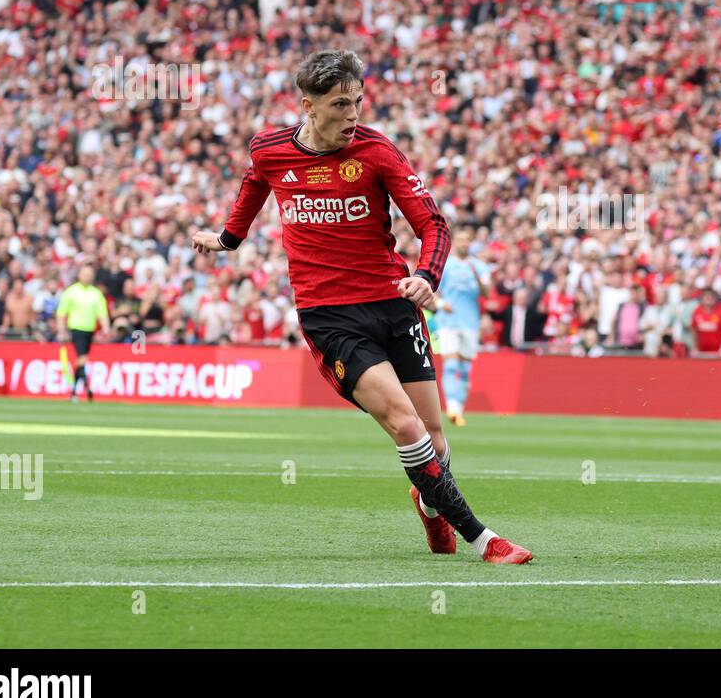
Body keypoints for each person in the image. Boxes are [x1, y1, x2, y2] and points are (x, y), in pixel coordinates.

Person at [190, 49, 530, 565]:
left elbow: (433, 224)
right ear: (308, 105)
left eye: (358, 102)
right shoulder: (270, 150)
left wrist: (424, 276)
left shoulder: (377, 152)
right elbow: (253, 190)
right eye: (341, 105)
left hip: (393, 305)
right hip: (330, 316)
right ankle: (483, 539)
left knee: (434, 434)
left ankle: (430, 504)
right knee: (404, 424)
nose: (353, 115)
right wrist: (227, 239)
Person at [432, 226, 491, 427]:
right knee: (450, 365)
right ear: (454, 242)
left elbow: (486, 292)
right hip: (448, 322)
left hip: (470, 323)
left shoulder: (479, 266)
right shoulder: (446, 266)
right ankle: (453, 408)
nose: (464, 243)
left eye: (467, 240)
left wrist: (478, 280)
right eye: (461, 240)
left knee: (465, 369)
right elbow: (432, 292)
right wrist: (440, 304)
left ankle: (459, 410)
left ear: (471, 243)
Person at [56, 264, 111, 403]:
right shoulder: (71, 292)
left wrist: (106, 328)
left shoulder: (96, 293)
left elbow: (102, 313)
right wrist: (61, 330)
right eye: (85, 274)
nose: (87, 277)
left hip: (89, 331)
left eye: (89, 274)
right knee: (82, 358)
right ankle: (86, 387)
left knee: (81, 361)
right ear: (79, 275)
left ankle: (75, 392)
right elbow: (62, 313)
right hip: (76, 329)